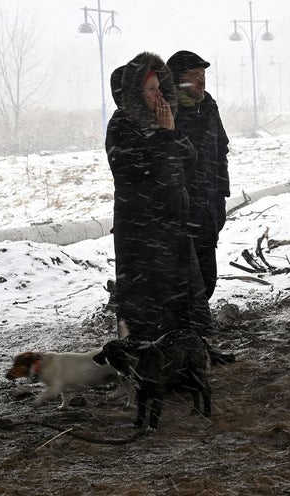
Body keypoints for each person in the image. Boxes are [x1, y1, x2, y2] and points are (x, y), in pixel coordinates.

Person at [105, 51, 212, 340]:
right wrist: (166, 137)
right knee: (149, 305)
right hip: (143, 230)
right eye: (151, 89)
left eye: (159, 87)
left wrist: (171, 132)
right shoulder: (122, 126)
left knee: (180, 295)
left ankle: (187, 346)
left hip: (170, 225)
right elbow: (145, 174)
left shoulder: (159, 121)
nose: (159, 94)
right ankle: (154, 353)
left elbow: (189, 159)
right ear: (135, 94)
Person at [166, 50, 231, 301]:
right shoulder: (167, 110)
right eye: (194, 75)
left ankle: (197, 318)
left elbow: (221, 148)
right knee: (181, 271)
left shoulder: (208, 106)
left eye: (202, 75)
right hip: (180, 204)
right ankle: (186, 326)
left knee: (207, 274)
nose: (201, 81)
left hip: (209, 202)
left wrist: (221, 191)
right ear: (178, 79)